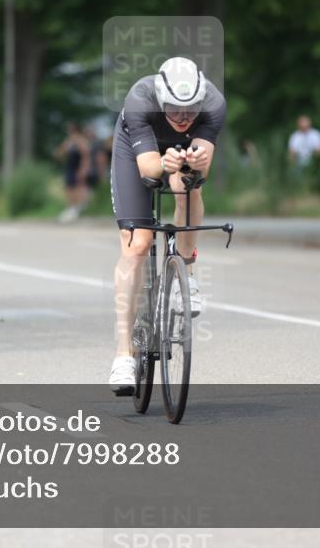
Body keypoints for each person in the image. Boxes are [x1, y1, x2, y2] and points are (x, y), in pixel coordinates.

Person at [108, 56, 226, 394]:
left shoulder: (214, 103)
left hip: (179, 152)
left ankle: (186, 275)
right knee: (138, 245)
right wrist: (164, 161)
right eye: (174, 109)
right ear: (161, 100)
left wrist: (194, 164)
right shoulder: (140, 99)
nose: (183, 117)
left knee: (187, 188)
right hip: (137, 151)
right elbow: (148, 169)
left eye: (191, 110)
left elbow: (201, 170)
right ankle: (123, 356)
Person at [56, 122, 90, 223]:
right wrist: (64, 148)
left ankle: (76, 209)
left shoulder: (81, 141)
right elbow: (59, 154)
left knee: (77, 188)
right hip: (69, 167)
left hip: (77, 168)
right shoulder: (69, 141)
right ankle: (71, 208)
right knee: (69, 187)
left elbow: (85, 156)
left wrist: (83, 169)